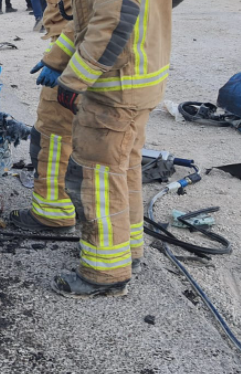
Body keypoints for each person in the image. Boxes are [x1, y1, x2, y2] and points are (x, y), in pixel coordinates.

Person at [44, 0, 172, 297]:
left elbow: (112, 21)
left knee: (98, 179)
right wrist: (57, 58)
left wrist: (74, 80)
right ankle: (127, 251)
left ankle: (104, 273)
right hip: (141, 80)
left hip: (115, 89)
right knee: (124, 170)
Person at [10, 0, 73, 235]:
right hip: (82, 55)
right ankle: (72, 202)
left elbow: (92, 22)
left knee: (53, 135)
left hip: (74, 59)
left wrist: (58, 60)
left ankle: (53, 214)